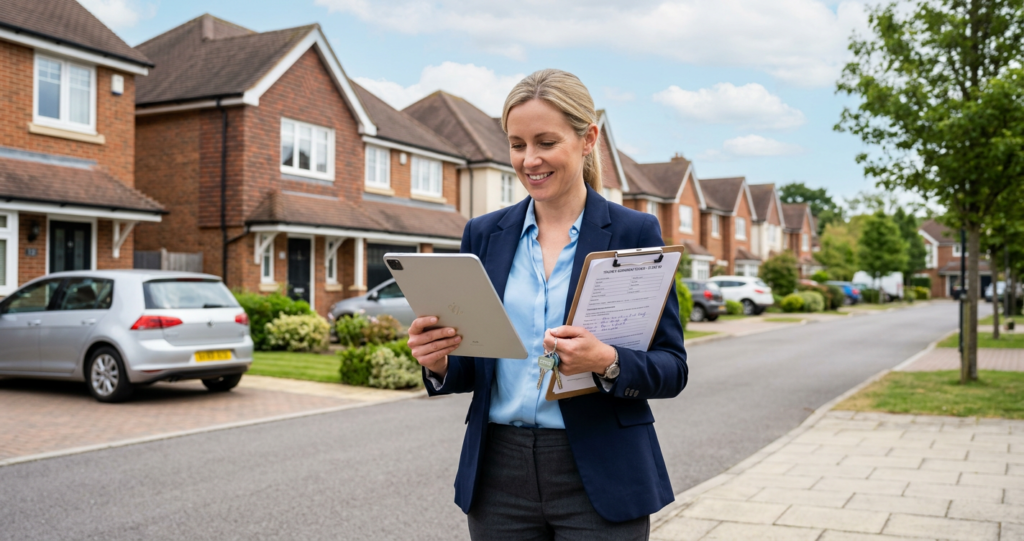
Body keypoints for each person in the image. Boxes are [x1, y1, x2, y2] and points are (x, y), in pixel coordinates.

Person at [407, 69, 688, 541]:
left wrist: (609, 361)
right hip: (499, 474)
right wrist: (438, 363)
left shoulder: (634, 234)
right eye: (517, 145)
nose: (529, 159)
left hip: (601, 471)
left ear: (587, 139)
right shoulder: (483, 234)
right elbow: (476, 364)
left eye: (545, 142)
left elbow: (672, 367)